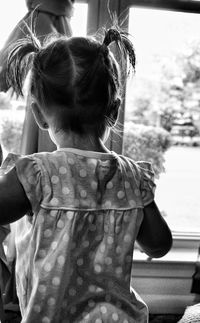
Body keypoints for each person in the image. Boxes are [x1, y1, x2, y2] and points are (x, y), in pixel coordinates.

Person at [0, 25, 172, 323]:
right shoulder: (132, 178)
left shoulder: (38, 174)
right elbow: (159, 244)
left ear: (39, 114)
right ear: (114, 110)